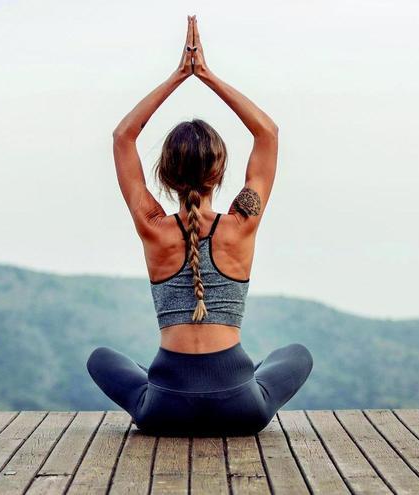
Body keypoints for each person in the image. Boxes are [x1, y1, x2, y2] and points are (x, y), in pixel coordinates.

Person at [86, 14, 313, 437]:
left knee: (102, 357)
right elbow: (268, 134)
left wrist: (178, 76)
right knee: (295, 353)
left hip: (163, 411)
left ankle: (160, 384)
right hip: (241, 408)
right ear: (220, 171)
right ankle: (241, 379)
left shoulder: (152, 225)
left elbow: (123, 137)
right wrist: (206, 75)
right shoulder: (241, 223)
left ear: (166, 174)